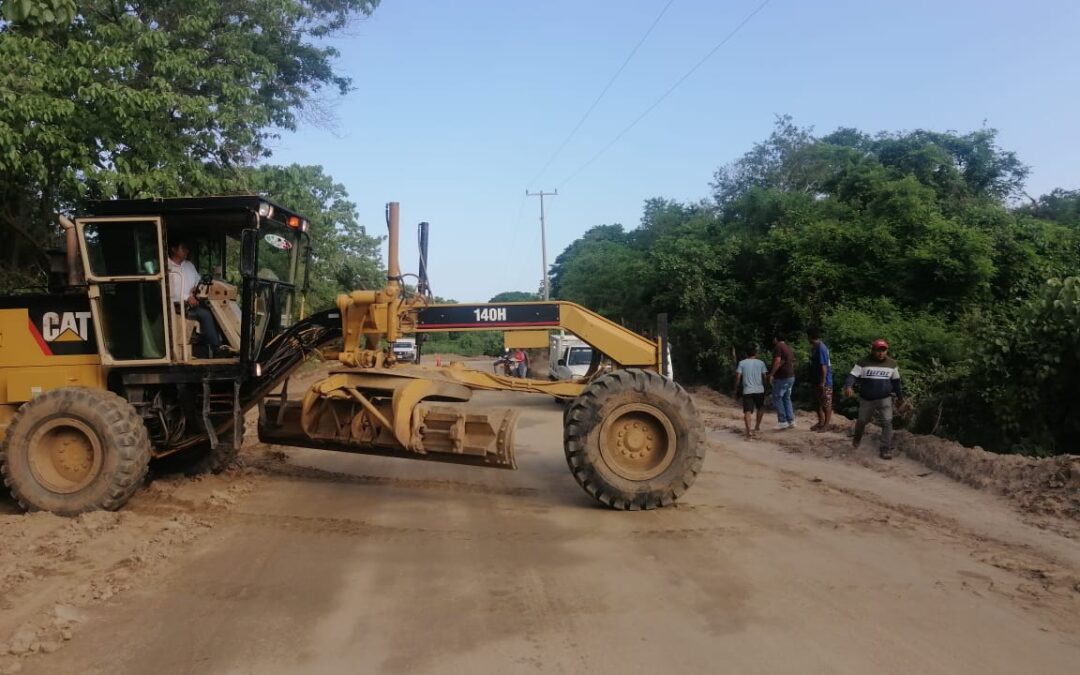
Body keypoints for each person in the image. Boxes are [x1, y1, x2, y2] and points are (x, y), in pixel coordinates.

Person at [844, 338, 905, 459]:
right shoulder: (863, 362)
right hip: (867, 399)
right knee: (862, 421)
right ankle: (857, 438)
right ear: (873, 350)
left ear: (887, 350)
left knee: (887, 422)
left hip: (884, 398)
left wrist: (900, 397)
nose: (881, 353)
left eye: (883, 350)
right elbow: (852, 375)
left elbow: (896, 382)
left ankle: (885, 449)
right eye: (878, 350)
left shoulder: (892, 364)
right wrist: (848, 386)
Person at [167, 240, 223, 356]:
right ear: (173, 249)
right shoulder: (167, 268)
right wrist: (187, 297)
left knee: (218, 309)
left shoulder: (189, 265)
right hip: (178, 306)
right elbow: (169, 292)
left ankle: (224, 344)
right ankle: (217, 349)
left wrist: (196, 288)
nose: (187, 251)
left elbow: (198, 280)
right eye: (183, 248)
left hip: (195, 301)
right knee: (205, 314)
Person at [733, 344, 769, 439]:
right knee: (760, 408)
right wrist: (766, 386)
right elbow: (764, 377)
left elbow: (738, 377)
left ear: (746, 353)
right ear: (756, 352)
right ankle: (757, 426)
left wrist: (736, 388)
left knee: (747, 412)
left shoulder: (742, 363)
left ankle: (748, 432)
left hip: (747, 390)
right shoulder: (761, 363)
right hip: (759, 389)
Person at [767, 333, 797, 429]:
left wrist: (771, 374)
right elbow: (792, 362)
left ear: (776, 338)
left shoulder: (778, 347)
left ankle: (782, 421)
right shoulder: (789, 348)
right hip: (791, 376)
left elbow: (777, 361)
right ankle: (791, 420)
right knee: (786, 398)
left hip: (782, 377)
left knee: (777, 397)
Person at [806, 326, 833, 431]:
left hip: (824, 381)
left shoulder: (821, 348)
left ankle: (826, 424)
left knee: (826, 402)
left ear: (810, 336)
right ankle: (821, 421)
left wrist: (823, 382)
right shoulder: (814, 347)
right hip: (815, 380)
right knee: (817, 402)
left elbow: (824, 366)